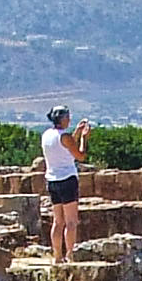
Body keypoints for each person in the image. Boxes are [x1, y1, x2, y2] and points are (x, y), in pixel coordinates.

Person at [42, 107, 89, 265]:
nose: (69, 119)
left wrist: (75, 132)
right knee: (71, 221)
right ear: (62, 119)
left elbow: (65, 148)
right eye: (68, 117)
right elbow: (80, 155)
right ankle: (69, 254)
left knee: (58, 221)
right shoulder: (65, 137)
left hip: (52, 180)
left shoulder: (47, 135)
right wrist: (84, 138)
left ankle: (57, 256)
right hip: (67, 180)